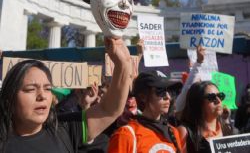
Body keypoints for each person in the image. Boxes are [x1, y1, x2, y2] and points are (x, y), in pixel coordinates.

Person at [0, 37, 132, 153]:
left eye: (47, 89)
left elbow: (108, 110)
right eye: (30, 89)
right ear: (9, 98)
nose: (42, 96)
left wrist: (123, 64)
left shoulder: (65, 129)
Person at [108, 70, 182, 153]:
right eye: (161, 91)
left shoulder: (173, 131)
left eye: (170, 92)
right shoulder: (125, 135)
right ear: (143, 97)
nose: (168, 97)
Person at [177, 81, 232, 153]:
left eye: (220, 96)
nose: (218, 101)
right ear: (197, 103)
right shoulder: (185, 132)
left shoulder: (228, 129)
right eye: (211, 97)